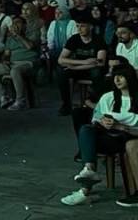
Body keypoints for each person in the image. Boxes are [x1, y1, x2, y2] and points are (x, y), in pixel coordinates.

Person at [60, 63, 138, 207]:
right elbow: (95, 119)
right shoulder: (108, 97)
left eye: (121, 76)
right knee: (86, 130)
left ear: (130, 78)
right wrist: (102, 121)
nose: (117, 80)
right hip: (109, 136)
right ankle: (89, 169)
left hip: (129, 137)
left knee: (93, 141)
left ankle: (85, 191)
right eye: (115, 77)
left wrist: (121, 127)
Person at [0, 15, 37, 111]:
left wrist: (18, 35)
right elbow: (7, 53)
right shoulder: (10, 39)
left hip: (28, 63)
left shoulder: (32, 34)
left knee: (15, 71)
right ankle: (4, 96)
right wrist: (6, 60)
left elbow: (29, 46)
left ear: (24, 25)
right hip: (12, 64)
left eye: (18, 22)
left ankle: (20, 100)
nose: (15, 25)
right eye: (13, 23)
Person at [57, 18, 108, 116]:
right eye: (77, 26)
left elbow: (100, 63)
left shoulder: (98, 39)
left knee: (97, 72)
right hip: (81, 68)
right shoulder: (74, 38)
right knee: (61, 72)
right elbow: (61, 60)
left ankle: (94, 103)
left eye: (83, 26)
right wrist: (84, 62)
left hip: (92, 70)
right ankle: (66, 105)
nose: (79, 29)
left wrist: (74, 67)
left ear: (91, 27)